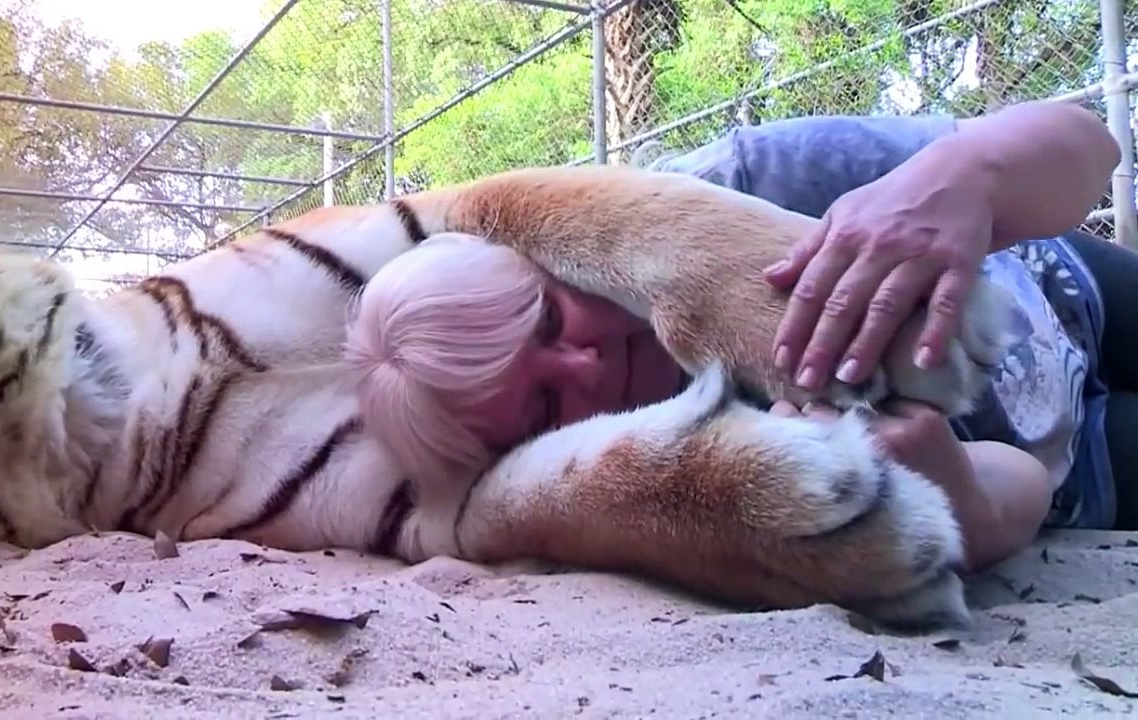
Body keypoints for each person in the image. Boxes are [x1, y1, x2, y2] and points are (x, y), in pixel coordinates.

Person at [347, 99, 1133, 574]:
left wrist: (969, 174)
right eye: (544, 405)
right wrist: (955, 494)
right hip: (1087, 464)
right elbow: (1019, 488)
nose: (585, 364)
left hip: (1067, 281)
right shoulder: (700, 472)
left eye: (546, 321)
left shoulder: (735, 188)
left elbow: (1091, 146)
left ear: (547, 263)